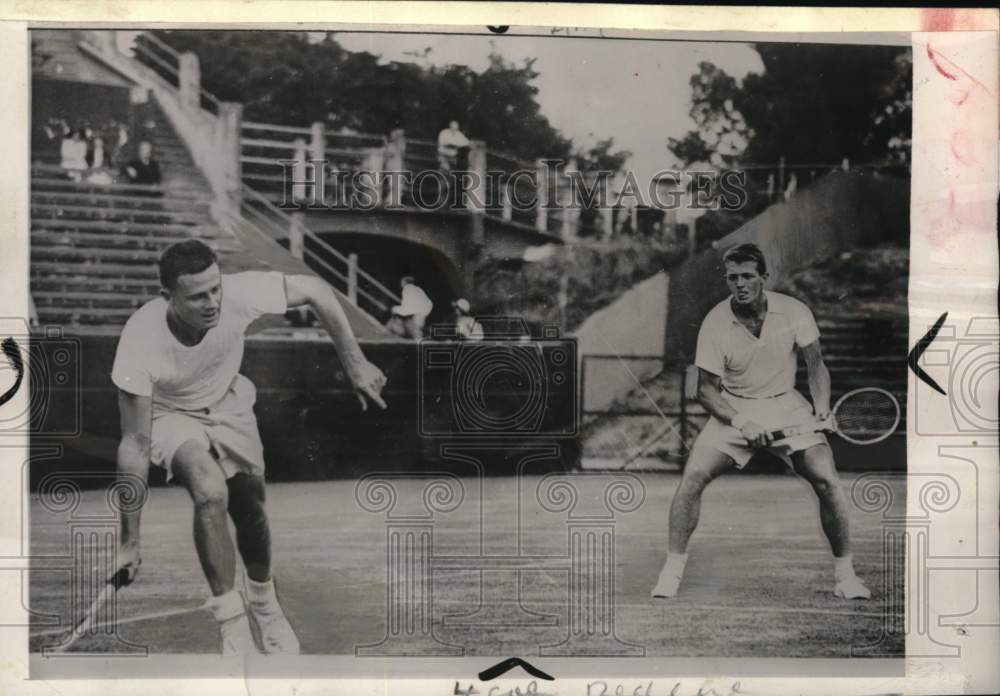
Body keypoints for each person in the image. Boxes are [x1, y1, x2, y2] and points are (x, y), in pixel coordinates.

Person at [110, 240, 387, 655]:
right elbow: (134, 444)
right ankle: (232, 626)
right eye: (198, 296)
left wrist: (355, 363)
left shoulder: (239, 294)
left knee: (250, 508)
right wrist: (129, 541)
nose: (212, 303)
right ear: (168, 297)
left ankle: (265, 604)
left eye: (215, 289)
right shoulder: (140, 339)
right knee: (209, 491)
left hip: (229, 401)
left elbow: (316, 290)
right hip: (170, 415)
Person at [652, 242, 870, 601]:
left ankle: (846, 577)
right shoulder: (714, 323)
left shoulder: (794, 311)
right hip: (734, 407)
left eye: (748, 276)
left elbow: (815, 366)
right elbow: (705, 391)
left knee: (827, 480)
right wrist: (742, 423)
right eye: (733, 277)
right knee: (692, 478)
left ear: (764, 278)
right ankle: (671, 573)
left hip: (788, 405)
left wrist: (821, 408)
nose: (740, 284)